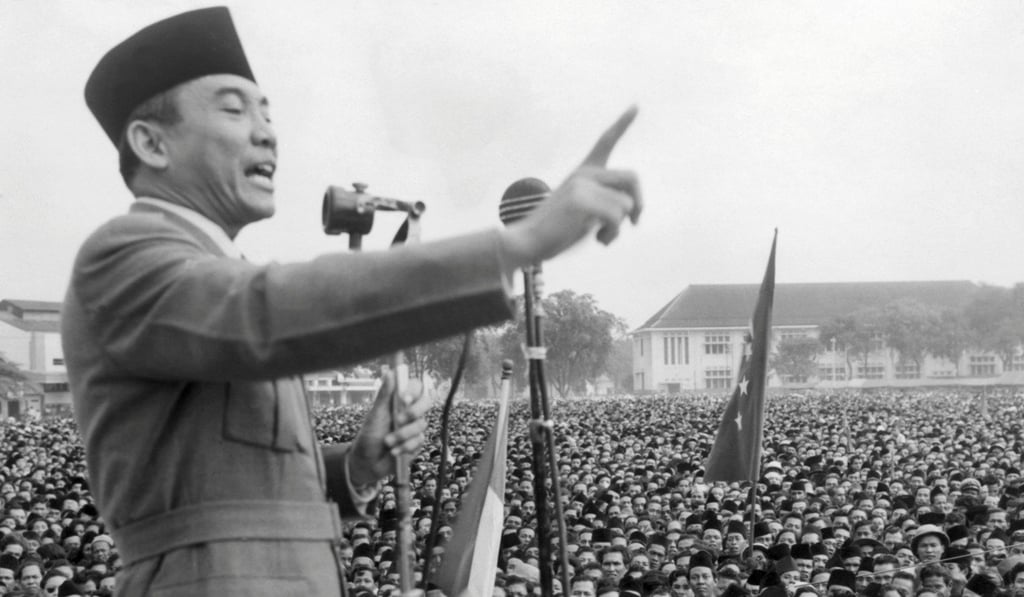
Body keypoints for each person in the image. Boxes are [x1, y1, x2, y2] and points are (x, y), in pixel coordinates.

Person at [65, 6, 641, 597]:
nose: (267, 131)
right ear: (151, 143)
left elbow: (242, 490)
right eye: (234, 109)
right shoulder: (123, 257)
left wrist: (357, 465)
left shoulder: (216, 273)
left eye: (267, 112)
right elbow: (264, 310)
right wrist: (513, 248)